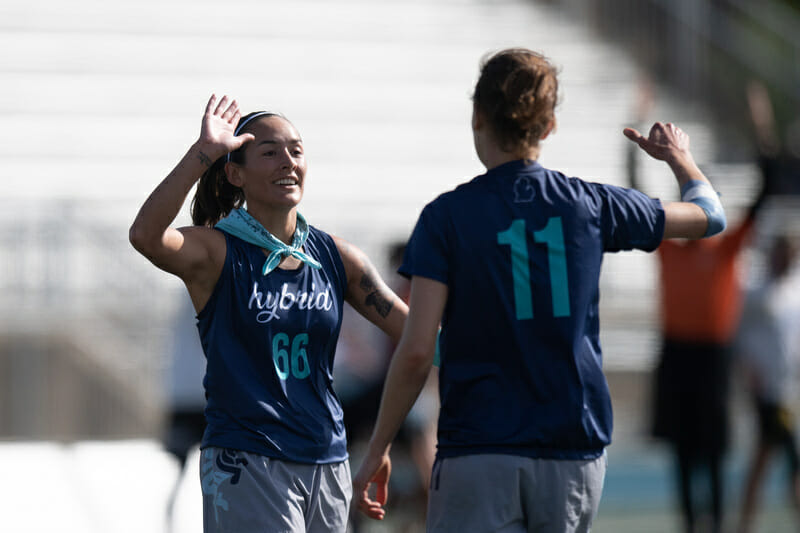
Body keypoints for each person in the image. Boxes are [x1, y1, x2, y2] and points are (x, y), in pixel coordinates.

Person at [353, 47, 727, 532]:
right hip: (572, 445)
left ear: (477, 115)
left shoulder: (446, 217)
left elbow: (417, 349)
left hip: (479, 446)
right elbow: (711, 216)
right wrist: (681, 160)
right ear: (548, 127)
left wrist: (378, 447)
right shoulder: (591, 203)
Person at [129, 95, 408, 533]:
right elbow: (146, 235)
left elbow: (420, 338)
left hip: (327, 461)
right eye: (269, 152)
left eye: (296, 150)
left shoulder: (335, 256)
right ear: (235, 173)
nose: (287, 162)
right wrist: (203, 152)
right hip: (248, 459)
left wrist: (383, 438)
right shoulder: (217, 251)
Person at [635, 80, 770, 533]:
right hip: (678, 351)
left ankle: (711, 523)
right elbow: (635, 194)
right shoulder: (670, 245)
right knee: (681, 447)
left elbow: (767, 189)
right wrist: (639, 125)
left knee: (710, 448)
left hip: (713, 355)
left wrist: (761, 127)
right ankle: (691, 523)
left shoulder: (725, 245)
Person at [735, 234, 800, 533]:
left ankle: (747, 522)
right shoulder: (756, 293)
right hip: (768, 392)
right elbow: (740, 336)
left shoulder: (794, 292)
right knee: (773, 459)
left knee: (778, 459)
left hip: (790, 392)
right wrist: (749, 370)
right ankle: (746, 523)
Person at [162, 293, 207, 532]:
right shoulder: (203, 284)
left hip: (188, 393)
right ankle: (172, 521)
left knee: (180, 469)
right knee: (178, 470)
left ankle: (172, 521)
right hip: (200, 395)